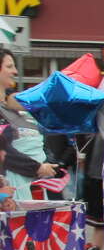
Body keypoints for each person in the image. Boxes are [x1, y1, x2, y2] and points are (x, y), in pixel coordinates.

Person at [0, 46, 62, 199]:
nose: (15, 71)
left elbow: (41, 140)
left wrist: (49, 165)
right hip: (9, 189)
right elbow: (4, 150)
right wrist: (37, 167)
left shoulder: (15, 105)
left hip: (32, 186)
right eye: (9, 66)